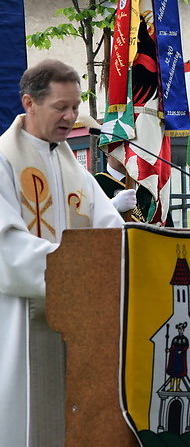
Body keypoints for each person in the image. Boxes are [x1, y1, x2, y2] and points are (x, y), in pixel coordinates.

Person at [0, 59, 123, 445]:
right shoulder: (4, 160)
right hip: (18, 320)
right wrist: (74, 268)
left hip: (79, 323)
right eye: (61, 107)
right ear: (29, 103)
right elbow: (8, 247)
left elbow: (112, 233)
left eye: (75, 107)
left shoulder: (75, 170)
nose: (71, 117)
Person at [94, 154, 145, 220]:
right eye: (122, 145)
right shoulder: (95, 183)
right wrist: (113, 206)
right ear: (107, 151)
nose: (129, 151)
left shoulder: (146, 182)